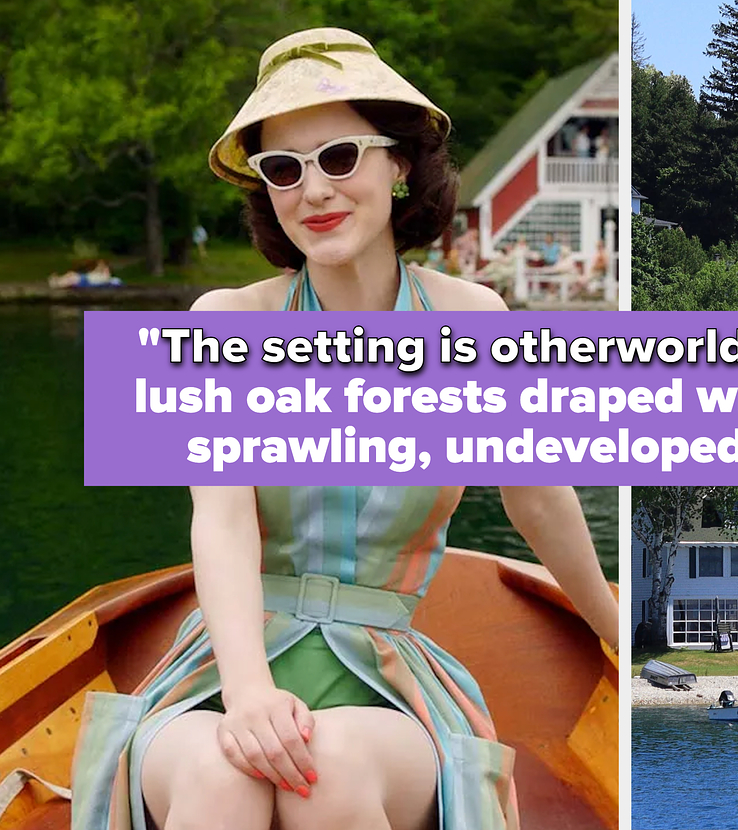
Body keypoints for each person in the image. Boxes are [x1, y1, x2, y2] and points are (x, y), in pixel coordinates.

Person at [69, 28, 618, 830]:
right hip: (225, 664)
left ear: (397, 163)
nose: (314, 190)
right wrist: (250, 691)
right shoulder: (224, 323)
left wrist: (619, 632)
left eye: (340, 156)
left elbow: (538, 501)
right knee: (224, 778)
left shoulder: (477, 321)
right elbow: (220, 521)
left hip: (386, 675)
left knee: (323, 772)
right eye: (284, 168)